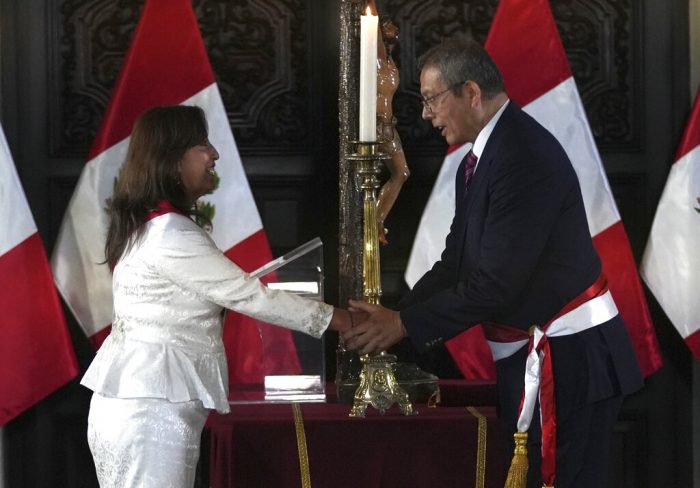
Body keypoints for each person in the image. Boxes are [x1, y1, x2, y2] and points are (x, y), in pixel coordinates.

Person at [343, 39, 643, 488]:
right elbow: (455, 263)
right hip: (539, 362)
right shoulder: (483, 156)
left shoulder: (521, 155)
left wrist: (403, 325)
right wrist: (394, 317)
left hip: (571, 362)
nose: (426, 115)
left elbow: (494, 285)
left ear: (471, 92)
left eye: (430, 99)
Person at [80, 105, 357, 488]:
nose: (214, 154)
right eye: (202, 144)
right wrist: (344, 321)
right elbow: (250, 296)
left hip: (141, 407)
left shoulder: (152, 228)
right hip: (150, 415)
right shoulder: (170, 234)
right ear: (172, 159)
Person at [375, 16, 409, 245]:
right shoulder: (376, 59)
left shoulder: (390, 64)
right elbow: (372, 18)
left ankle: (377, 219)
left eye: (393, 36)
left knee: (402, 172)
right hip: (375, 125)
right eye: (385, 36)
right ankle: (373, 223)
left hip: (389, 124)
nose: (390, 40)